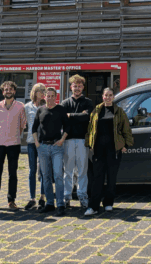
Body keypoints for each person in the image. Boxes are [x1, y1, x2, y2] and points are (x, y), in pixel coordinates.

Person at [85, 87, 134, 216]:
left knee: (111, 178)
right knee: (97, 179)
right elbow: (90, 129)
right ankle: (93, 206)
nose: (108, 97)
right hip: (98, 150)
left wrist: (126, 145)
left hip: (114, 150)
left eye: (110, 95)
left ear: (113, 97)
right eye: (106, 95)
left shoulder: (119, 111)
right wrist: (88, 144)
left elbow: (126, 129)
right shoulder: (96, 111)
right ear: (102, 96)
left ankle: (108, 203)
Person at [0, 81, 26, 211]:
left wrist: (14, 135)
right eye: (5, 89)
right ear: (3, 92)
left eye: (10, 89)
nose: (8, 91)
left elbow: (22, 125)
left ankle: (11, 201)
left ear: (14, 91)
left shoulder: (21, 106)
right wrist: (1, 134)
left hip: (14, 144)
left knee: (12, 174)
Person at [33, 87, 69, 215]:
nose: (50, 98)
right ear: (44, 97)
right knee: (46, 176)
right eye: (48, 96)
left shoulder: (60, 110)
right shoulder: (40, 110)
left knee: (58, 175)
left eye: (52, 96)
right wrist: (37, 143)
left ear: (56, 97)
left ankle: (60, 204)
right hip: (43, 147)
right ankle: (49, 203)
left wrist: (62, 140)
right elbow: (34, 128)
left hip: (56, 147)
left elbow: (67, 127)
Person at [61, 75, 94, 210]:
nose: (77, 88)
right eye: (75, 86)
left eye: (80, 86)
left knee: (82, 171)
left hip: (82, 140)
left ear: (83, 88)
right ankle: (66, 197)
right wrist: (78, 116)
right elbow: (64, 120)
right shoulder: (65, 103)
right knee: (68, 171)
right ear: (71, 87)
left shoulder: (88, 102)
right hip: (68, 141)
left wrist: (71, 116)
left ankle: (82, 197)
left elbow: (87, 117)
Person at [23, 84, 48, 210]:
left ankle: (42, 197)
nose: (42, 93)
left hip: (43, 141)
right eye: (39, 91)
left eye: (43, 91)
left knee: (43, 170)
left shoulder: (46, 106)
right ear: (34, 92)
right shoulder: (27, 107)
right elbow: (23, 122)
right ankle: (32, 198)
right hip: (31, 142)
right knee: (32, 170)